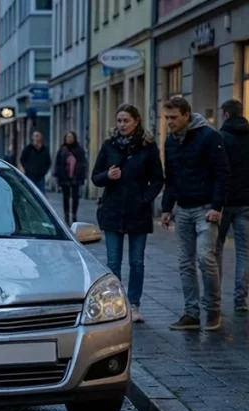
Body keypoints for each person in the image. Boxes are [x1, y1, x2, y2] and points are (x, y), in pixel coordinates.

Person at [160, 97, 231, 331]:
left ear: (186, 115)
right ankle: (191, 314)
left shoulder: (209, 137)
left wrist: (216, 207)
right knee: (184, 263)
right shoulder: (170, 142)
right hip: (183, 209)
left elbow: (222, 173)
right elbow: (170, 178)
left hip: (205, 209)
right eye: (166, 117)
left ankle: (213, 311)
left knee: (204, 258)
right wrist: (167, 208)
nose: (169, 122)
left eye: (173, 117)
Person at [91, 105, 164, 324]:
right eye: (119, 120)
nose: (122, 124)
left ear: (136, 121)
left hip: (137, 212)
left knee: (137, 261)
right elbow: (95, 177)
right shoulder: (109, 145)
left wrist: (145, 199)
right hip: (113, 210)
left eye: (126, 120)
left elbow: (158, 179)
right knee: (113, 262)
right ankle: (115, 305)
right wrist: (107, 175)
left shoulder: (148, 147)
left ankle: (134, 305)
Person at [216, 99, 249, 313]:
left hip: (223, 202)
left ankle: (214, 296)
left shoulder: (220, 138)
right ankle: (241, 299)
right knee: (243, 251)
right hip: (246, 202)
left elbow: (217, 169)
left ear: (226, 115)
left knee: (215, 248)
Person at [53, 131, 88, 225]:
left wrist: (82, 175)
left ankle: (74, 215)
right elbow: (58, 163)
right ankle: (67, 215)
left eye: (71, 137)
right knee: (66, 197)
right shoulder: (62, 150)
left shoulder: (79, 150)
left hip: (76, 176)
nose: (69, 139)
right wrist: (57, 175)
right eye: (68, 137)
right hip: (65, 177)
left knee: (75, 197)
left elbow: (83, 163)